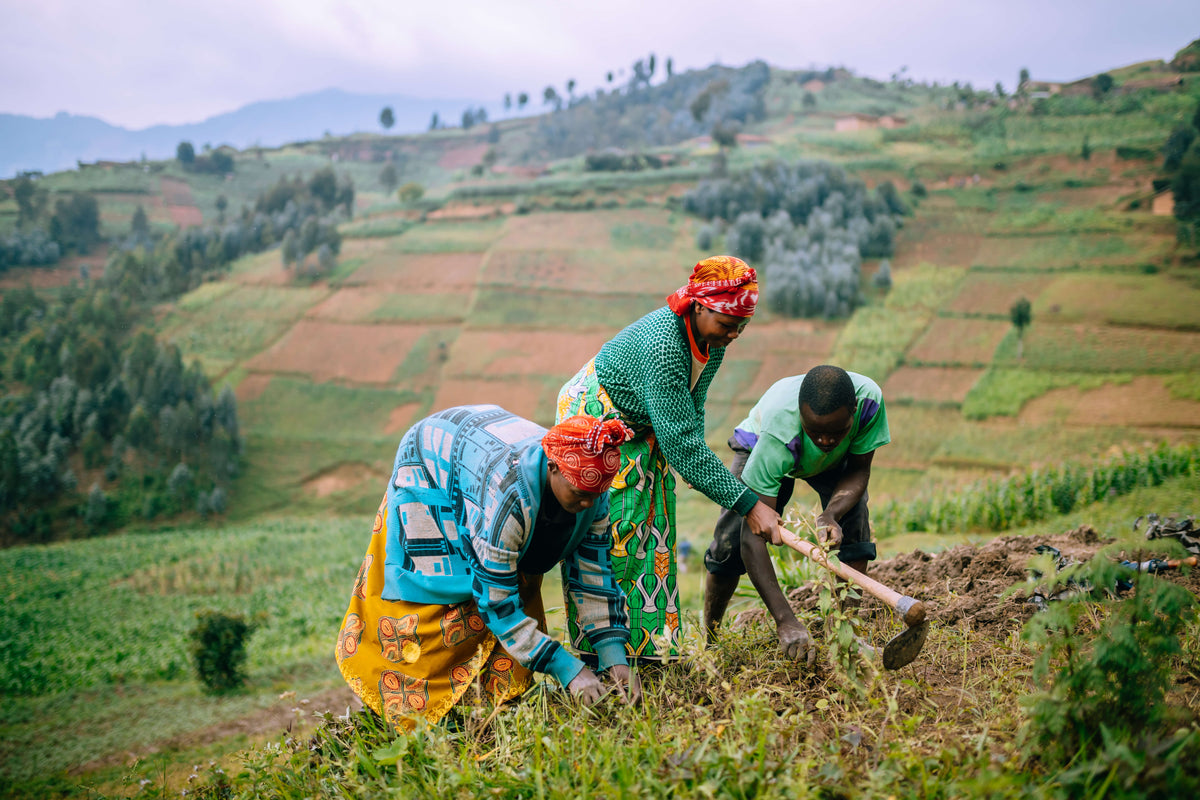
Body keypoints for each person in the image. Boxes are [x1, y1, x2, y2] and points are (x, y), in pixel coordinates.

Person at [335, 405, 641, 731]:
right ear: (552, 467)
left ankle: (492, 704)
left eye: (596, 496)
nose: (588, 505)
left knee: (516, 577)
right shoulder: (508, 496)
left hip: (483, 453)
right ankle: (411, 715)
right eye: (580, 495)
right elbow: (497, 600)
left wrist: (614, 660)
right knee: (446, 600)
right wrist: (567, 668)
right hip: (431, 462)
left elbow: (594, 575)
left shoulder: (591, 488)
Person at [556, 255, 780, 663]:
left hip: (644, 421)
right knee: (614, 529)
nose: (733, 335)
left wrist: (694, 459)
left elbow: (693, 407)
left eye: (741, 328)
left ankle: (650, 650)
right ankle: (602, 654)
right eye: (728, 325)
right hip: (598, 414)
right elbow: (679, 442)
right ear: (699, 305)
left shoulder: (710, 342)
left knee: (653, 527)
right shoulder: (664, 346)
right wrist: (750, 505)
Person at [702, 366, 890, 664]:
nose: (825, 441)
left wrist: (831, 514)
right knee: (729, 545)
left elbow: (858, 469)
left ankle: (846, 637)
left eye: (836, 432)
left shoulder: (869, 402)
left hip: (831, 463)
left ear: (853, 411)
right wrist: (786, 621)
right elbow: (754, 536)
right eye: (815, 431)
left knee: (853, 524)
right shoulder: (779, 430)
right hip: (761, 447)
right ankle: (709, 641)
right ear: (801, 416)